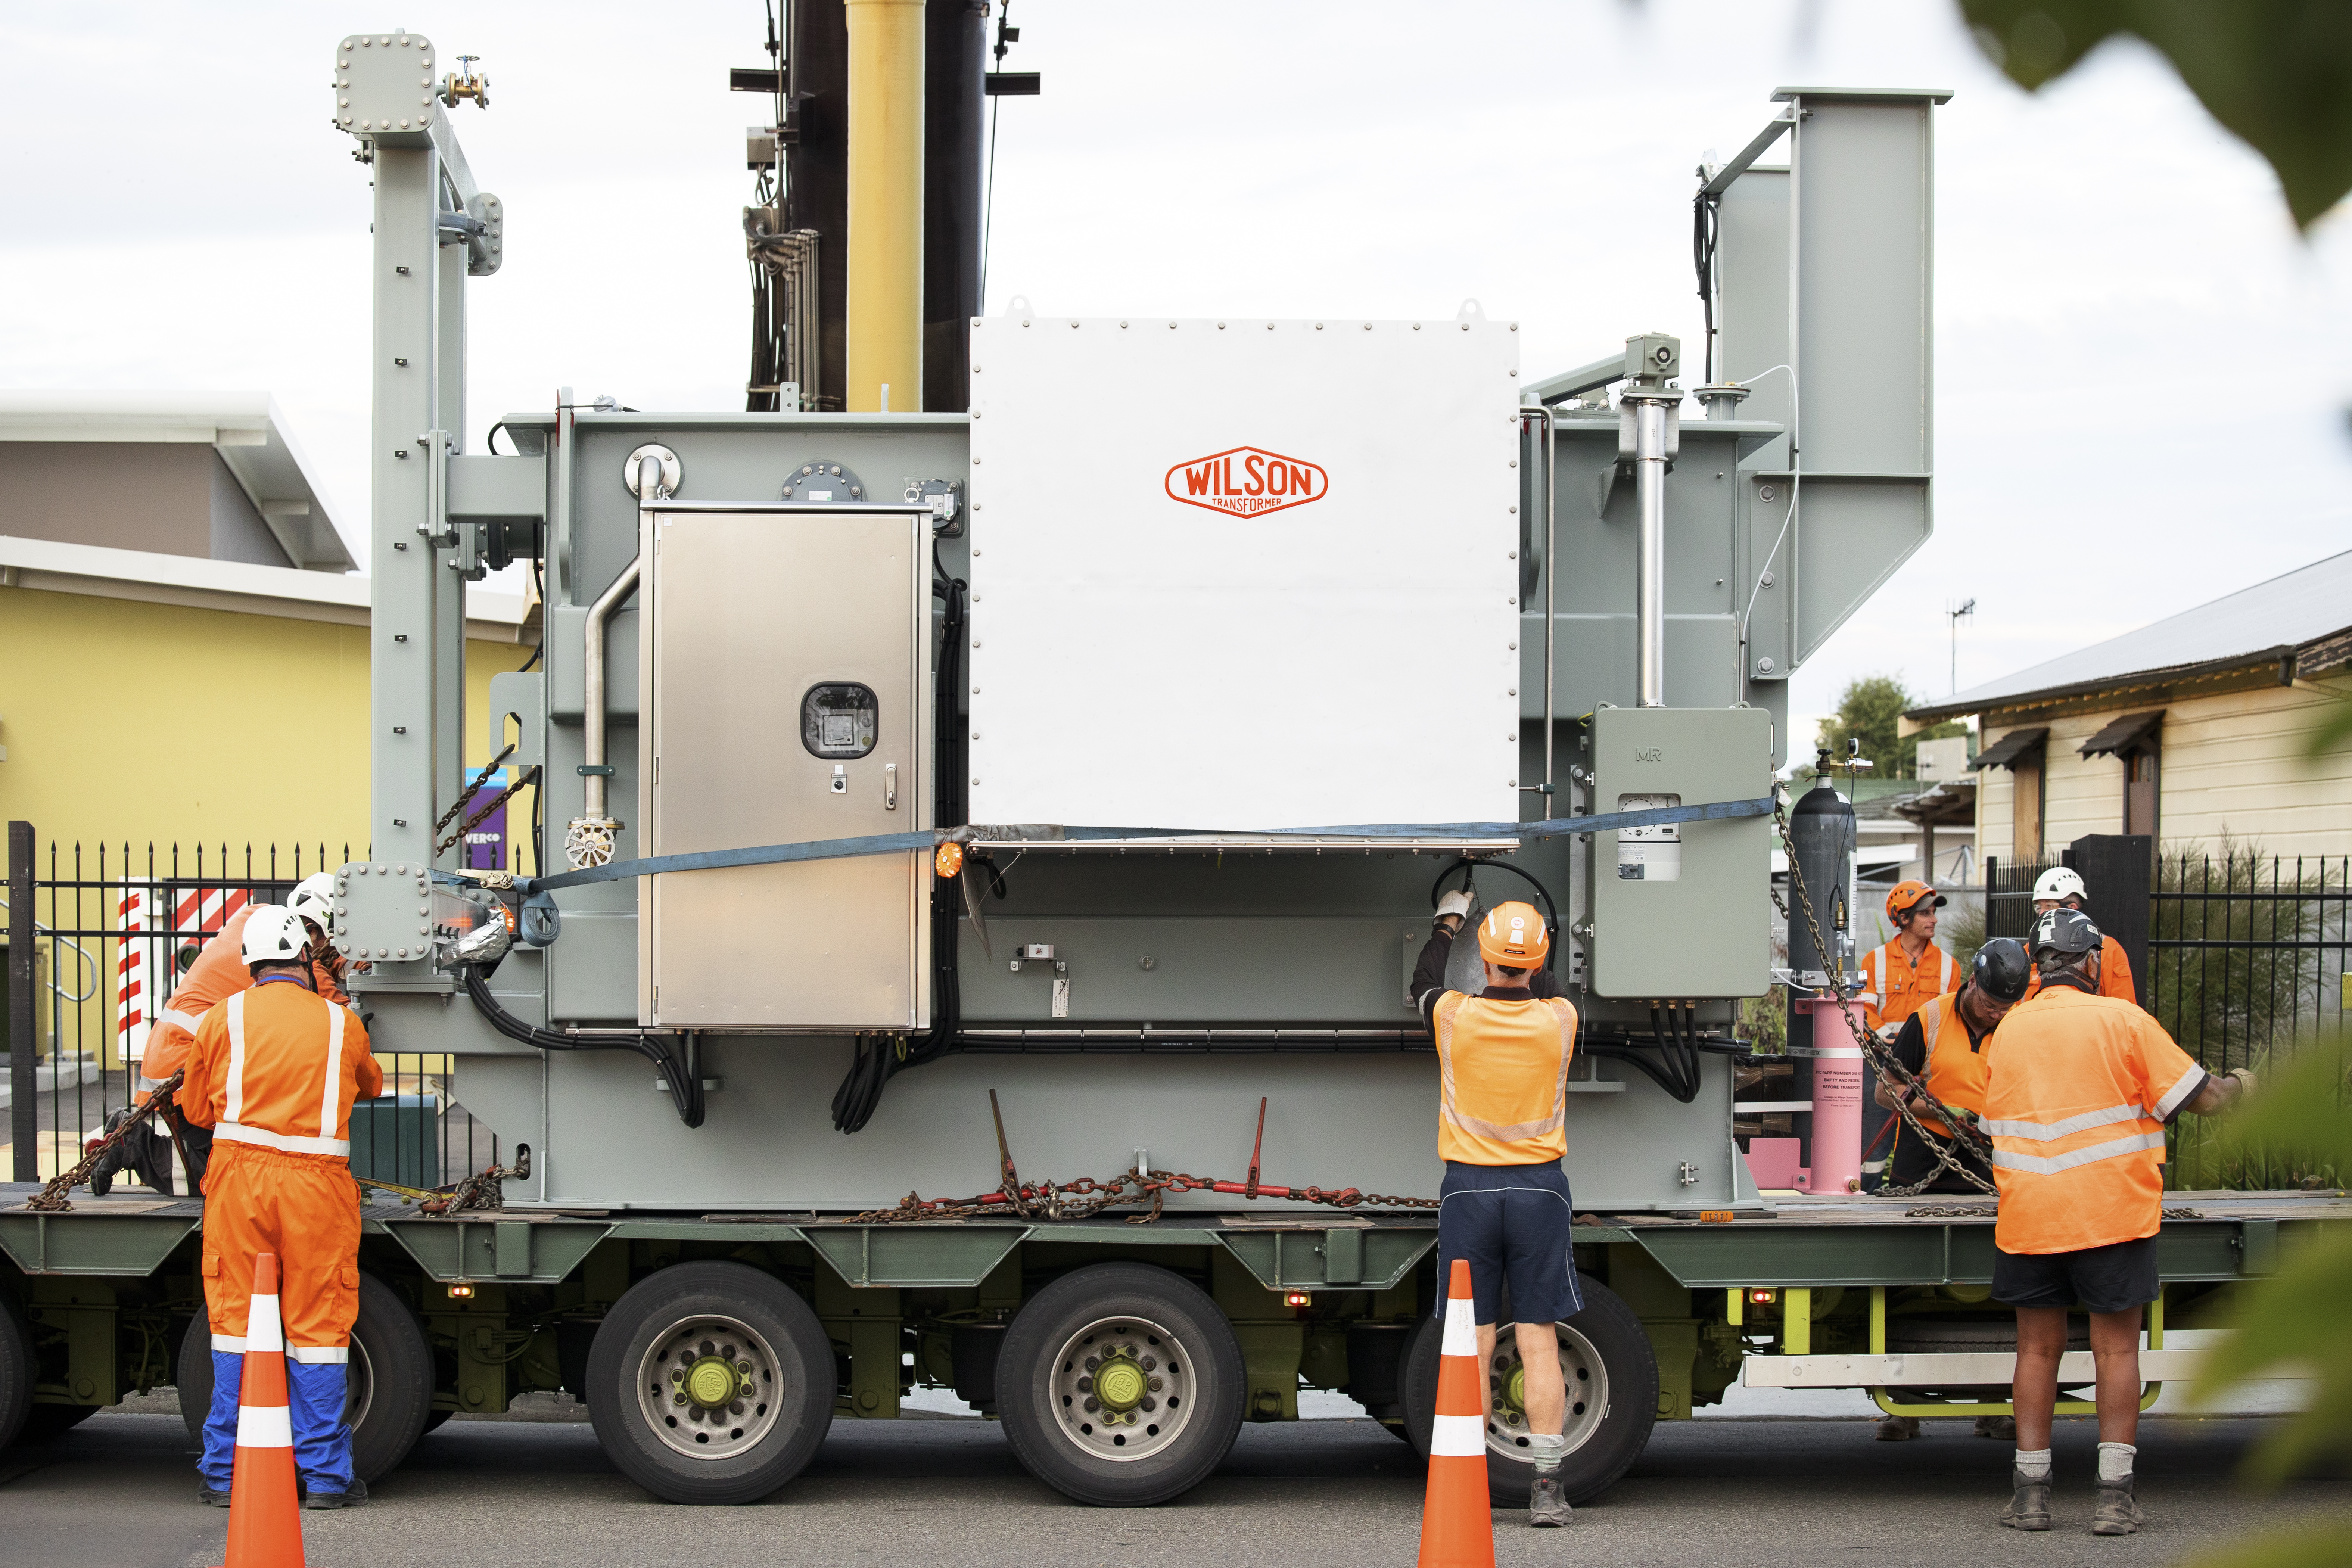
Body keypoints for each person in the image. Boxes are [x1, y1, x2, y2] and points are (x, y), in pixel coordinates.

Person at [1984, 908, 2250, 1536]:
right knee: (2116, 1349)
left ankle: (2030, 1495)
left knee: (2036, 1349)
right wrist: (2245, 1086)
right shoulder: (2124, 1021)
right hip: (2111, 1213)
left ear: (2038, 964)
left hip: (2031, 1215)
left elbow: (1995, 1124)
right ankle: (2113, 1497)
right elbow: (2203, 1098)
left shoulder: (2010, 1031)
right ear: (2093, 962)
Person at [176, 905, 382, 1510]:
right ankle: (324, 1481)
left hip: (239, 1186)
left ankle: (223, 1474)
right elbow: (369, 1085)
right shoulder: (342, 1023)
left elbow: (195, 1111)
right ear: (303, 958)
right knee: (318, 1333)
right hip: (317, 1194)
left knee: (236, 1329)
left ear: (250, 965)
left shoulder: (223, 1018)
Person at [1412, 895, 1579, 1528]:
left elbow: (1423, 982)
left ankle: (1469, 1488)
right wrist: (1537, 934)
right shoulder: (1561, 1020)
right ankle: (1546, 1489)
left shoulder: (1453, 1016)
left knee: (1475, 1343)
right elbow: (1550, 983)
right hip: (1540, 1191)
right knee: (1537, 1338)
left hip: (1469, 1191)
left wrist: (1447, 923)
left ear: (1481, 958)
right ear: (1538, 963)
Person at [1867, 937, 2032, 1442]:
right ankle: (1906, 1407)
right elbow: (1885, 1091)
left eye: (2006, 1008)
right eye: (1989, 1004)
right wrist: (1940, 1111)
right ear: (1972, 984)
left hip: (1989, 1158)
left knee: (1995, 1286)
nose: (1995, 1016)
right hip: (1927, 1156)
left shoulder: (2019, 1026)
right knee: (1911, 1283)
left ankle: (1997, 1404)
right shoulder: (1931, 1019)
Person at [131, 874, 350, 1193]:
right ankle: (134, 1146)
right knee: (222, 1176)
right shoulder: (297, 963)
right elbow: (341, 1017)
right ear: (319, 931)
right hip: (188, 1073)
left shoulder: (253, 922)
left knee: (239, 1165)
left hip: (175, 1059)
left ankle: (135, 1143)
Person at [1856, 880, 1960, 1039]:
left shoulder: (1950, 966)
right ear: (1904, 918)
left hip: (1928, 1057)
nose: (1934, 920)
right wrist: (1889, 1040)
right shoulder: (1874, 961)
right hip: (1883, 1054)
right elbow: (1864, 1009)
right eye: (1926, 914)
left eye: (1934, 913)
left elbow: (1954, 1018)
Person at [2021, 867, 2137, 1004]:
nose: (2042, 913)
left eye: (2049, 906)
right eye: (2039, 907)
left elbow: (2123, 1010)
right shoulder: (2030, 950)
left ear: (2072, 908)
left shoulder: (2108, 950)